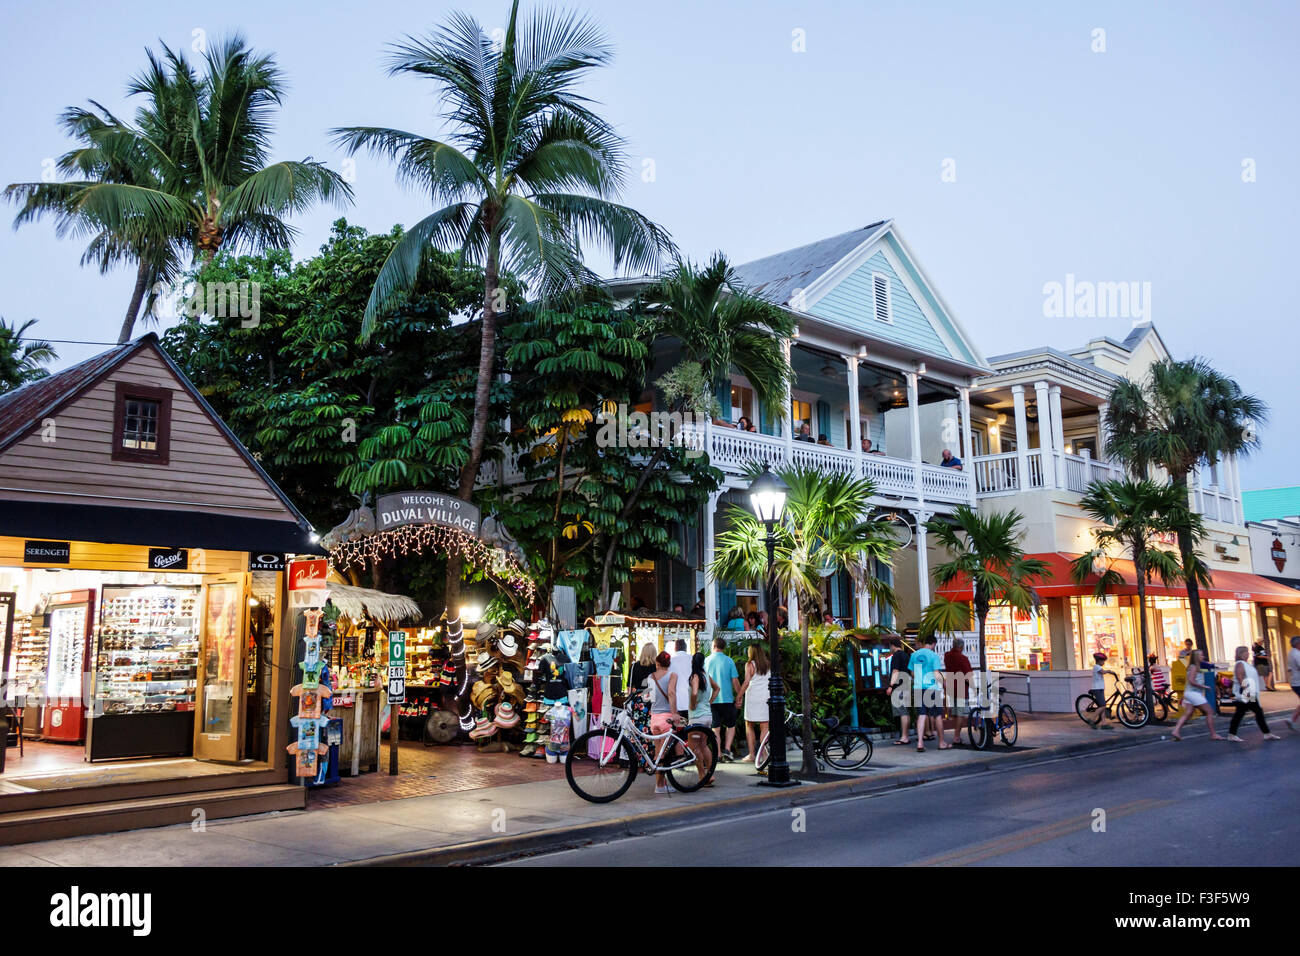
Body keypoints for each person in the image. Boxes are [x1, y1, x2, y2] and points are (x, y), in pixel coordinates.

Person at [1226, 645, 1280, 742]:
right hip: (1245, 691)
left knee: (1241, 713)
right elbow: (1240, 677)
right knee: (1257, 711)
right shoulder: (1240, 664)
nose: (1248, 654)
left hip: (1247, 691)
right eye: (1246, 652)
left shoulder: (1245, 664)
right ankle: (1266, 733)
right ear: (1242, 654)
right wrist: (1246, 690)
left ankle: (1232, 734)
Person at [647, 651, 682, 794]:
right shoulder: (672, 675)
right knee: (663, 754)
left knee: (658, 751)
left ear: (657, 663)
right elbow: (671, 693)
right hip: (666, 718)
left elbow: (650, 697)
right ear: (669, 664)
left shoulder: (651, 676)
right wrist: (674, 713)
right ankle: (660, 786)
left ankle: (660, 784)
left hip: (654, 718)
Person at [1171, 649, 1223, 741]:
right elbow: (1191, 680)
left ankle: (1176, 731)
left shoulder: (1193, 666)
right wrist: (1204, 686)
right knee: (1210, 712)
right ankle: (1213, 734)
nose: (1203, 657)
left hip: (1189, 693)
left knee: (1188, 713)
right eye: (1201, 655)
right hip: (1194, 693)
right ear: (1196, 657)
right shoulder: (1194, 667)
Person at [705, 636, 742, 761]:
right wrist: (739, 696)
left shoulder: (706, 661)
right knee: (731, 725)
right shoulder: (729, 661)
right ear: (723, 647)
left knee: (715, 727)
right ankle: (727, 749)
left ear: (714, 646)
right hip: (727, 698)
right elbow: (735, 681)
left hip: (711, 699)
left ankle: (718, 753)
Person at [910, 635, 949, 751]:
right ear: (933, 644)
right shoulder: (934, 655)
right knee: (937, 716)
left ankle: (920, 743)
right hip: (932, 688)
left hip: (918, 688)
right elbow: (936, 673)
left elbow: (912, 673)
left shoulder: (914, 655)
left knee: (921, 715)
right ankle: (941, 743)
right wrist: (943, 684)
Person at [687, 652, 720, 782]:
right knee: (704, 745)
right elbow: (717, 688)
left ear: (692, 663)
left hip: (696, 717)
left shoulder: (695, 676)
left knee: (694, 747)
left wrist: (693, 704)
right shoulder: (706, 675)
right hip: (707, 716)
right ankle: (710, 774)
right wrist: (709, 702)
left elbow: (694, 692)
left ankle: (702, 775)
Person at [736, 644, 771, 764]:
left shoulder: (750, 664)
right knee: (764, 727)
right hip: (766, 697)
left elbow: (746, 682)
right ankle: (765, 754)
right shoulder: (768, 664)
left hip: (753, 697)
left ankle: (752, 754)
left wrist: (739, 696)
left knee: (749, 725)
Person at [943, 637, 973, 746]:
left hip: (951, 685)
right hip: (961, 687)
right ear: (961, 647)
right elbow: (968, 674)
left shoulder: (947, 656)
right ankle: (956, 737)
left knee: (955, 712)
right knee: (960, 713)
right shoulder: (962, 658)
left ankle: (956, 734)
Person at [888, 636, 913, 746]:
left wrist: (890, 686)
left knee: (902, 712)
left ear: (892, 645)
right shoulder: (906, 655)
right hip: (906, 685)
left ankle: (904, 737)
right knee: (906, 712)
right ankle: (906, 735)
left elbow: (895, 671)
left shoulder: (896, 656)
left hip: (899, 686)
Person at [668, 637, 693, 720]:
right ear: (686, 648)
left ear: (675, 648)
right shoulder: (692, 659)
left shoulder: (670, 661)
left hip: (677, 702)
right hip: (692, 700)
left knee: (679, 729)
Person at [1089, 651, 1116, 725]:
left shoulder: (1099, 667)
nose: (1104, 662)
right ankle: (1091, 719)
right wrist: (1109, 671)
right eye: (1103, 661)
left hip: (1100, 688)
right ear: (1099, 660)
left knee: (1102, 706)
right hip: (1097, 689)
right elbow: (1103, 672)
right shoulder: (1096, 667)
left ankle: (1104, 723)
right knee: (1103, 706)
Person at [1287, 636, 1300, 732]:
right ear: (1298, 644)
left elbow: (1289, 668)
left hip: (1294, 682)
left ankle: (1292, 720)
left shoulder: (1291, 652)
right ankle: (1291, 720)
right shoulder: (1297, 654)